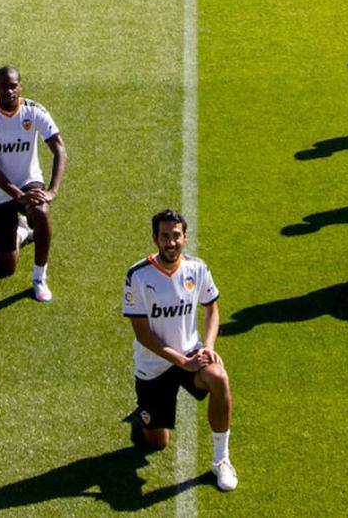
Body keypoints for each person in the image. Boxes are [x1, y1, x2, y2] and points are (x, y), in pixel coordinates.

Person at [122, 209, 238, 491]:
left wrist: (208, 347)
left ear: (185, 237)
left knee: (219, 378)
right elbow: (143, 334)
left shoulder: (197, 268)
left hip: (192, 355)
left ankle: (221, 460)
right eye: (164, 236)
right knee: (156, 444)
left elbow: (212, 309)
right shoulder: (137, 276)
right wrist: (181, 361)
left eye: (176, 236)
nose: (170, 243)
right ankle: (143, 419)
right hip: (154, 366)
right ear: (155, 238)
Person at [0, 66, 66, 302]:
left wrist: (51, 191)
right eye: (4, 86)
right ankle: (21, 232)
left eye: (13, 86)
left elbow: (59, 149)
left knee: (41, 211)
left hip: (29, 181)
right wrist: (17, 196)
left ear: (20, 87)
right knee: (6, 268)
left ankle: (39, 277)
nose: (9, 91)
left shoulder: (34, 111)